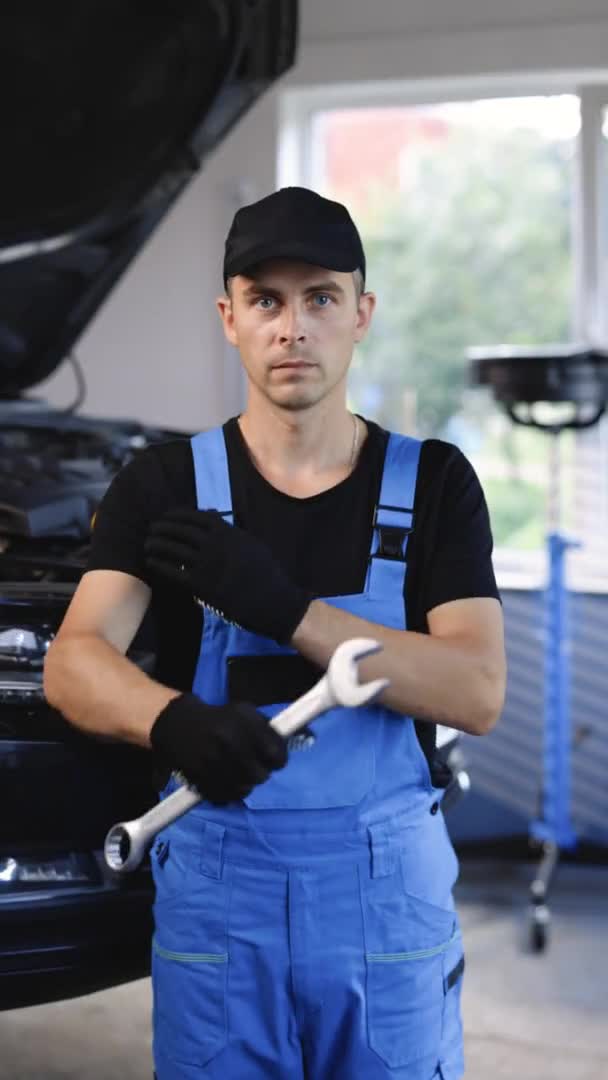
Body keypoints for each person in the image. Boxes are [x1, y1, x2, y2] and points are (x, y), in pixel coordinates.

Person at [44, 186, 506, 1080]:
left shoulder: (437, 483)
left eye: (320, 298)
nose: (293, 327)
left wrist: (286, 610)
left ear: (361, 313)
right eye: (265, 300)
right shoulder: (163, 485)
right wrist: (171, 721)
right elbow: (75, 659)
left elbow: (475, 690)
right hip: (222, 900)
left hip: (385, 910)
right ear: (230, 317)